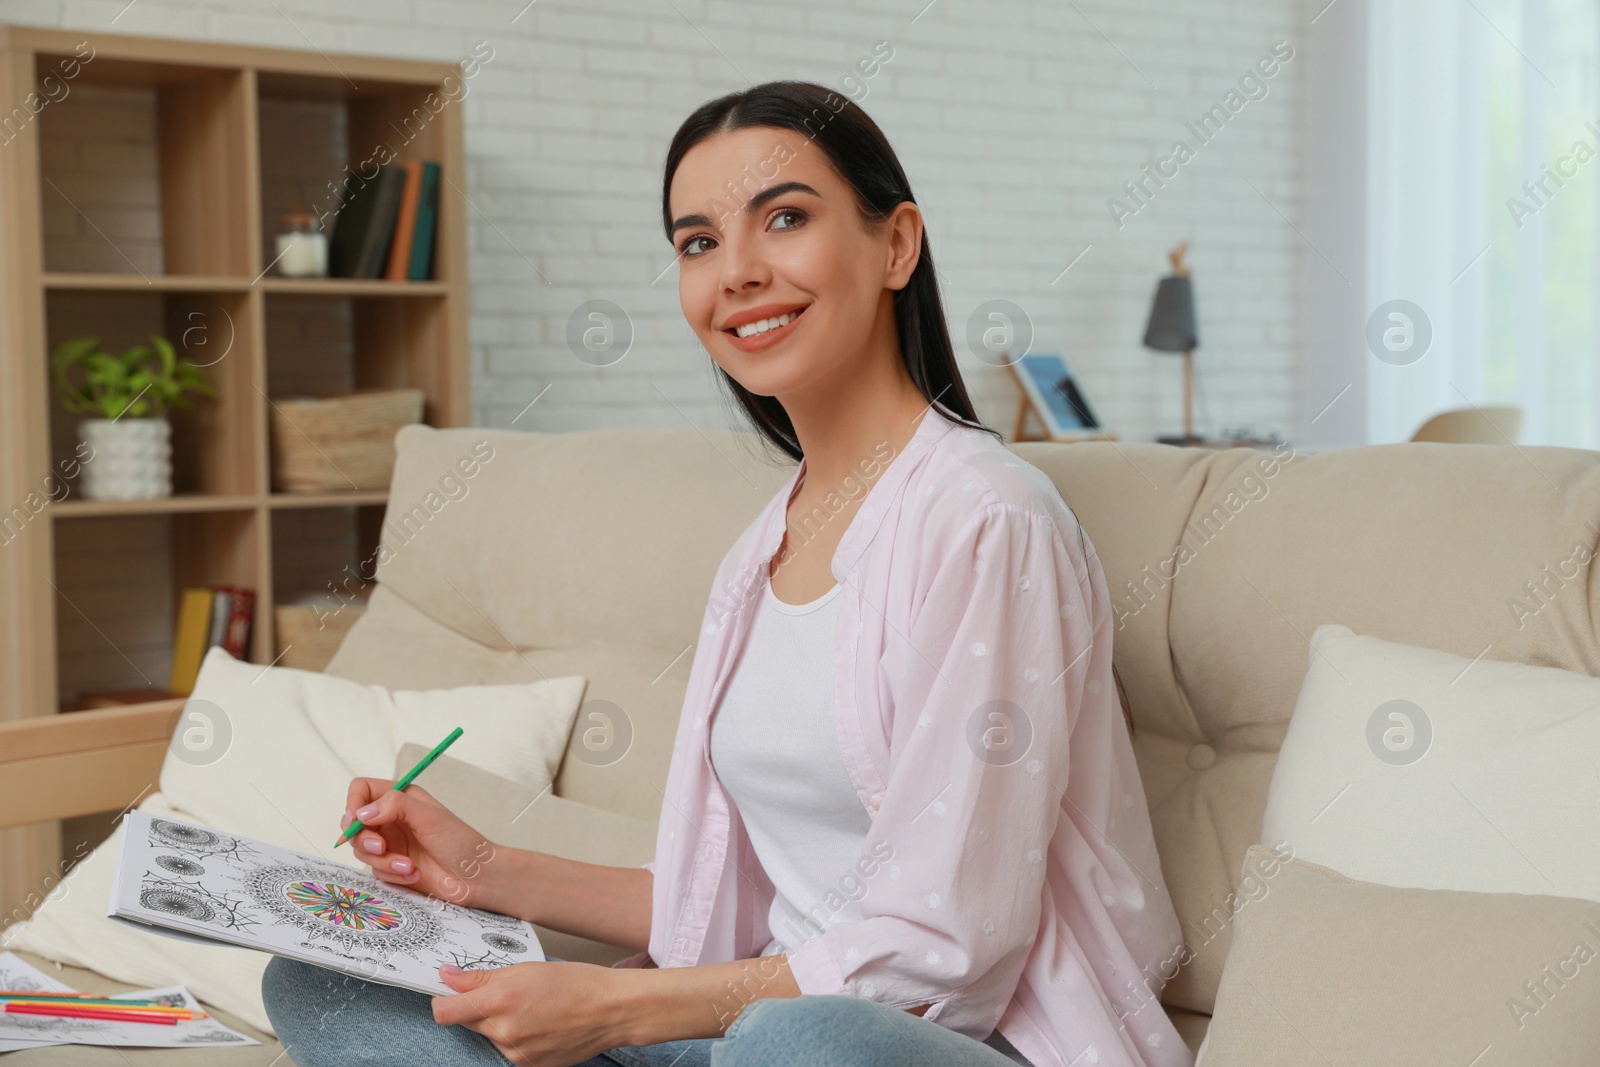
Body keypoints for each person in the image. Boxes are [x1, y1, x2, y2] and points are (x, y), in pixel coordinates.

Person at [263, 80, 1189, 1067]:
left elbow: (944, 947)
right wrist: (484, 868)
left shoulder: (986, 521)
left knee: (796, 1041)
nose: (736, 272)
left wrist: (621, 1012)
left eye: (783, 218)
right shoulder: (760, 551)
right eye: (698, 242)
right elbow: (724, 900)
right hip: (750, 1022)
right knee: (327, 975)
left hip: (936, 1038)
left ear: (896, 245)